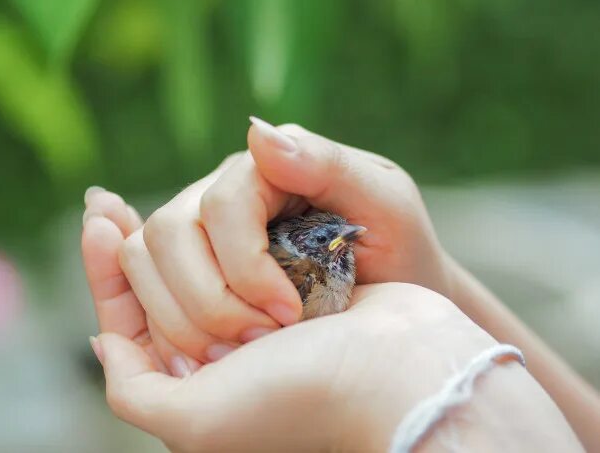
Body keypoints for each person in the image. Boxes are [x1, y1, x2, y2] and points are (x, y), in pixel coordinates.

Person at [81, 119, 599, 451]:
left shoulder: (333, 268)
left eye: (343, 239)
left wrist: (409, 369)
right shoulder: (302, 271)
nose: (346, 244)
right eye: (334, 240)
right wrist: (436, 304)